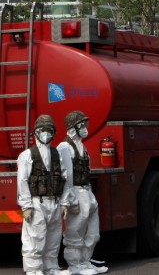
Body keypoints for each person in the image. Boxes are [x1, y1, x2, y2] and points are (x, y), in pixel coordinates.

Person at [17, 114, 69, 275]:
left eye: (49, 130)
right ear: (35, 133)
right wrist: (26, 206)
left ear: (54, 133)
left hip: (54, 202)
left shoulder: (57, 154)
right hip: (36, 203)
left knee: (54, 238)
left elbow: (64, 178)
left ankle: (51, 267)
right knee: (35, 238)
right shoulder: (27, 155)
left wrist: (64, 203)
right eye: (42, 130)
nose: (46, 134)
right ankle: (34, 270)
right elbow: (22, 181)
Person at [57, 111, 108, 275]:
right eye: (82, 124)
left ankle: (85, 262)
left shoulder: (81, 145)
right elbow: (65, 176)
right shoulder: (64, 147)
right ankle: (75, 265)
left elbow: (86, 170)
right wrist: (68, 201)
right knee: (75, 232)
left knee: (93, 232)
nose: (86, 127)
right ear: (75, 127)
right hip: (76, 193)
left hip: (87, 192)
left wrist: (90, 194)